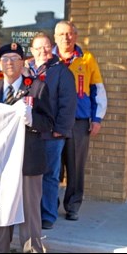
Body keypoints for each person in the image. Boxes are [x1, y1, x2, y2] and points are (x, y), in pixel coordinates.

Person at [0, 43, 53, 253]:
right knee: (2, 209)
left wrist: (32, 119)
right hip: (0, 162)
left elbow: (49, 123)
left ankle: (32, 249)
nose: (10, 62)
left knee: (30, 212)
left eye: (15, 58)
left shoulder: (37, 88)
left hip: (28, 160)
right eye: (5, 59)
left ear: (23, 63)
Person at [53, 21, 107, 221]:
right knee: (53, 166)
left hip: (79, 121)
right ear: (55, 36)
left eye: (69, 34)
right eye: (61, 34)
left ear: (75, 36)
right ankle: (51, 205)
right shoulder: (48, 58)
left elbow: (97, 90)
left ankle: (73, 206)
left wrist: (97, 118)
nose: (65, 38)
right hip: (53, 121)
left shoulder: (87, 59)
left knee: (76, 166)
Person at [25, 32, 77, 230]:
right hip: (28, 134)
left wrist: (60, 130)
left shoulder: (61, 72)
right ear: (32, 51)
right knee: (28, 175)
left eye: (46, 47)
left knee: (49, 175)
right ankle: (30, 212)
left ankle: (47, 215)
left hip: (51, 135)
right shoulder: (26, 69)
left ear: (52, 48)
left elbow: (68, 103)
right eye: (38, 48)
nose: (42, 51)